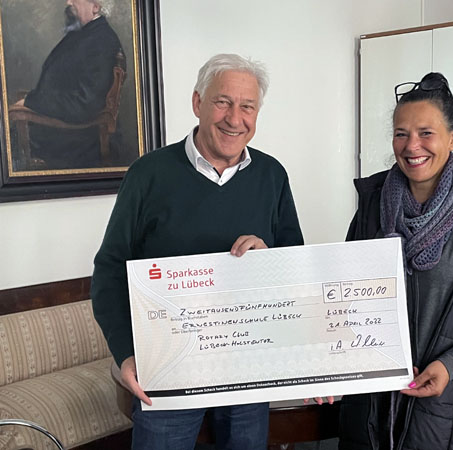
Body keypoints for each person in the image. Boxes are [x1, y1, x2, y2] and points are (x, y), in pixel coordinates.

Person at [91, 53, 303, 449]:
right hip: (168, 368)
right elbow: (109, 270)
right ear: (197, 103)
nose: (234, 118)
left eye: (247, 106)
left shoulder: (272, 176)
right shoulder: (148, 174)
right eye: (223, 102)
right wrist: (126, 354)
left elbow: (295, 265)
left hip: (248, 368)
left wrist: (267, 255)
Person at [337, 72, 453, 450]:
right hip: (373, 404)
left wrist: (449, 365)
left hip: (452, 406)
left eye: (426, 133)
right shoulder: (372, 207)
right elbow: (344, 296)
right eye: (401, 133)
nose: (412, 146)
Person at [16, 0, 122, 169]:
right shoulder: (83, 35)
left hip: (75, 144)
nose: (68, 2)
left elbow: (85, 104)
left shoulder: (101, 41)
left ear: (96, 6)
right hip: (57, 133)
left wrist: (31, 102)